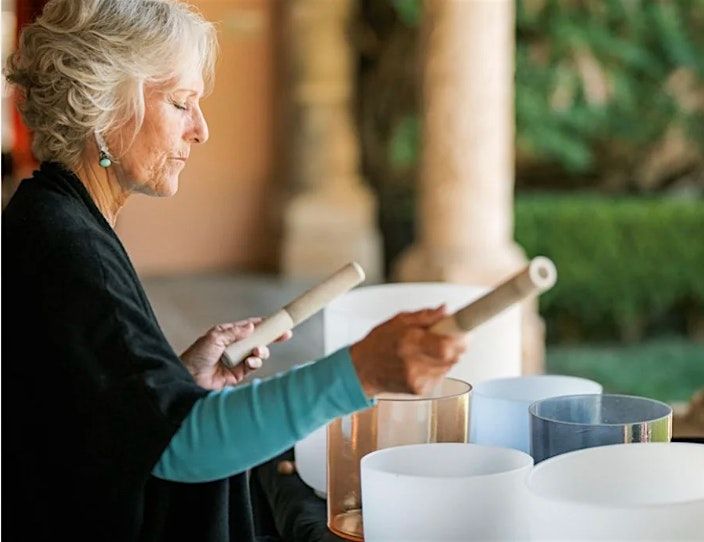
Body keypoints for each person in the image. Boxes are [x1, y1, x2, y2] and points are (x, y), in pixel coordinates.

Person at [1, 1, 467, 540]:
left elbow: (96, 422)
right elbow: (184, 447)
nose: (201, 130)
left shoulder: (54, 215)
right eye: (181, 103)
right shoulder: (66, 245)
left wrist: (176, 381)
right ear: (104, 106)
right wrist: (360, 372)